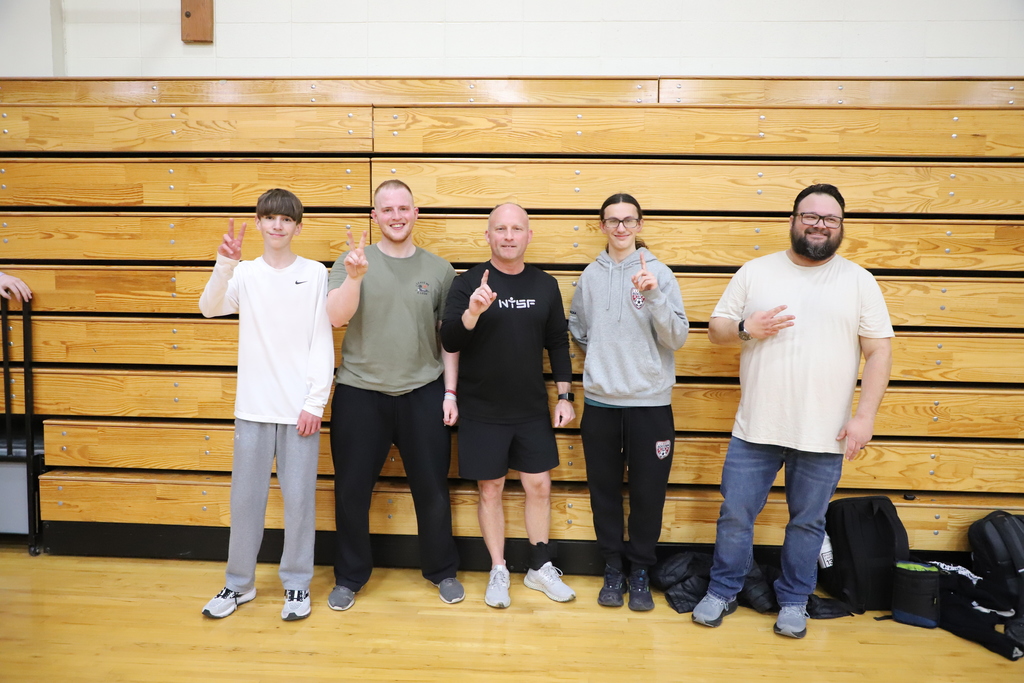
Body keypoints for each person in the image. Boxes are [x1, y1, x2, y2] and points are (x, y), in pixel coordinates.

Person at [691, 183, 894, 638]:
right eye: (811, 216)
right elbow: (716, 329)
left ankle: (795, 600)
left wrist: (864, 418)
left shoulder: (858, 280)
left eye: (830, 219)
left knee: (807, 522)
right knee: (736, 516)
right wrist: (748, 328)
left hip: (825, 433)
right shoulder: (756, 271)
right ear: (793, 219)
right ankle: (723, 590)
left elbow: (879, 352)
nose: (819, 225)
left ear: (841, 226)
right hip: (755, 428)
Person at [326, 179, 462, 611]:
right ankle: (349, 578)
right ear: (374, 216)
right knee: (350, 491)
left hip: (423, 391)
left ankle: (442, 571)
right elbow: (335, 317)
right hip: (359, 391)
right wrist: (353, 278)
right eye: (387, 209)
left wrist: (450, 392)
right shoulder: (349, 262)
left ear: (416, 213)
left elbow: (449, 338)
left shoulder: (440, 270)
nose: (397, 215)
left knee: (433, 490)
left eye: (404, 208)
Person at [199, 188, 334, 621]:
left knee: (298, 503)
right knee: (245, 503)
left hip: (299, 414)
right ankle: (238, 585)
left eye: (286, 219)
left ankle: (296, 586)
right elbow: (209, 308)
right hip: (252, 410)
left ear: (298, 226)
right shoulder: (246, 274)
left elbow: (321, 340)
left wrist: (315, 402)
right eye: (269, 217)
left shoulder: (315, 273)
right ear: (258, 223)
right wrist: (225, 264)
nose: (277, 225)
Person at [440, 202, 576, 608]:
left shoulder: (545, 285)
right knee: (491, 489)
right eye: (500, 229)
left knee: (539, 485)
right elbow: (449, 340)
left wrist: (565, 395)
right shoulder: (467, 284)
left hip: (531, 408)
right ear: (488, 236)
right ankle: (498, 568)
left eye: (517, 229)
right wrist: (472, 313)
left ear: (528, 236)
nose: (509, 236)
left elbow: (557, 342)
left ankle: (538, 566)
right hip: (482, 409)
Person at [568, 193, 689, 611]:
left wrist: (654, 296)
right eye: (612, 221)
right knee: (603, 493)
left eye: (628, 220)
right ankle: (613, 569)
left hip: (650, 405)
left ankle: (640, 570)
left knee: (647, 494)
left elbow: (676, 338)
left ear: (640, 225)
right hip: (601, 403)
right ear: (601, 226)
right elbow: (579, 329)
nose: (620, 228)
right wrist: (606, 359)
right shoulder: (590, 275)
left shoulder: (661, 274)